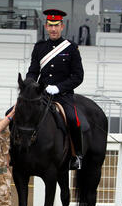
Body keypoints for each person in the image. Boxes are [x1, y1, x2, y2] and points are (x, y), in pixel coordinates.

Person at [26, 9, 84, 170]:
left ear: (62, 26)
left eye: (56, 25)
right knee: (17, 112)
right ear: (46, 26)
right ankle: (18, 151)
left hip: (63, 95)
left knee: (73, 119)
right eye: (50, 25)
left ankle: (76, 155)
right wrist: (30, 85)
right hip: (41, 94)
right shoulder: (39, 47)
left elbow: (78, 76)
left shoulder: (71, 48)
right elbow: (33, 71)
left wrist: (58, 88)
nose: (53, 29)